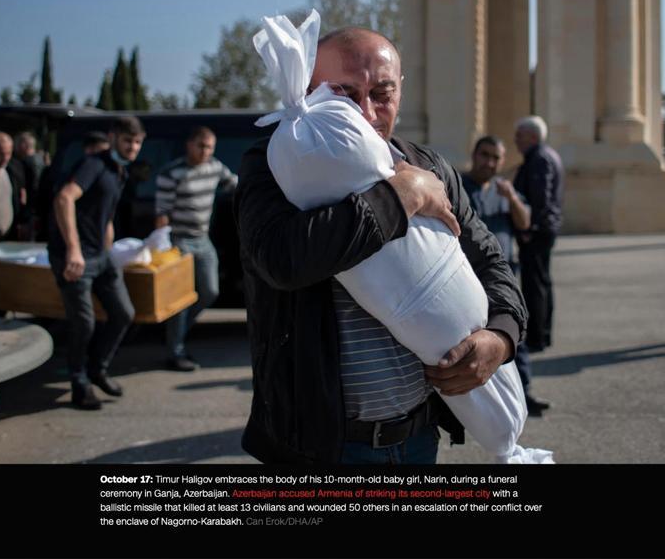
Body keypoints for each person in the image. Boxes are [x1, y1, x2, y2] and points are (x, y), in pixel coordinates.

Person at [234, 26, 527, 464]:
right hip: (321, 448)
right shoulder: (276, 164)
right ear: (310, 92)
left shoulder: (431, 167)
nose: (367, 113)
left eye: (382, 93)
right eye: (345, 93)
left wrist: (501, 337)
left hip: (418, 438)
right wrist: (401, 197)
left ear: (401, 92)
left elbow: (490, 261)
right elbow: (283, 260)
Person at [47, 116, 145, 410]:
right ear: (113, 137)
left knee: (123, 313)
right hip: (74, 257)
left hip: (101, 256)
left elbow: (107, 213)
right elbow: (65, 199)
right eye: (128, 141)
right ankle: (79, 383)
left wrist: (109, 248)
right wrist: (74, 250)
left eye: (138, 143)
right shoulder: (94, 164)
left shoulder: (119, 171)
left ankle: (97, 369)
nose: (133, 148)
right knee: (84, 324)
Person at [462, 135, 550, 417]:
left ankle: (523, 395)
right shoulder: (459, 188)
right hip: (468, 278)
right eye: (484, 155)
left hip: (505, 278)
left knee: (514, 337)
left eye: (495, 157)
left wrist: (511, 197)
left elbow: (525, 222)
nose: (489, 162)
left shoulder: (504, 190)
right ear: (474, 155)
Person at [155, 126, 238, 371]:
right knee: (181, 299)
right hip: (178, 241)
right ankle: (176, 350)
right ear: (189, 145)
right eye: (201, 146)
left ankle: (176, 332)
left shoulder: (215, 166)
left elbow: (233, 183)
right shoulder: (172, 173)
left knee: (210, 291)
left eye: (209, 147)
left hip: (203, 239)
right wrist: (164, 249)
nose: (205, 152)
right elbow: (162, 214)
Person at [513, 115, 564, 355]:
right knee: (542, 282)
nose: (516, 141)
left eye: (520, 136)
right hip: (546, 228)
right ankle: (543, 334)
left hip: (537, 231)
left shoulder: (538, 158)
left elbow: (539, 197)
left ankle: (536, 337)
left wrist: (528, 228)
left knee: (534, 285)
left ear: (533, 137)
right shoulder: (548, 156)